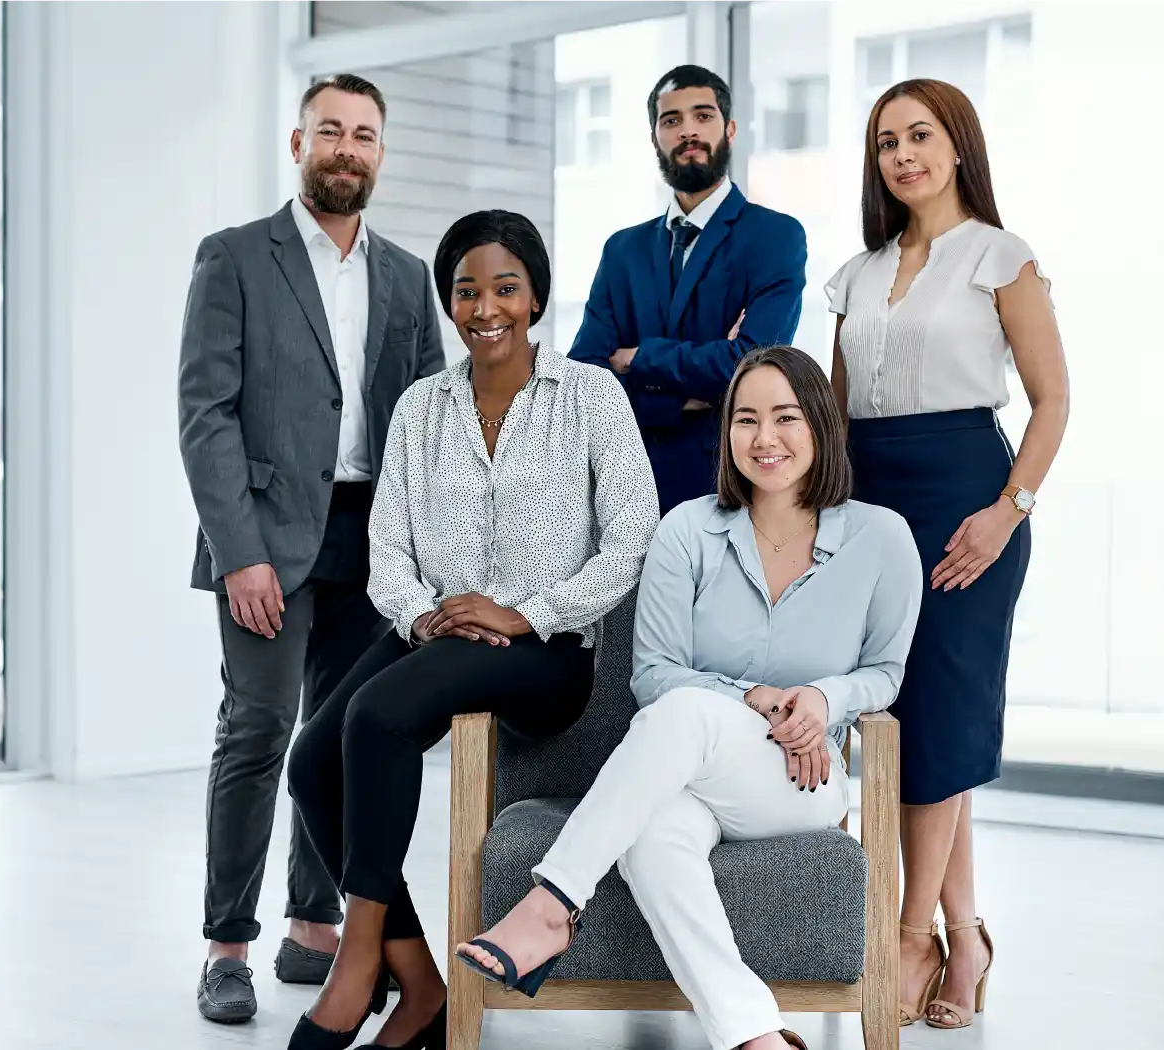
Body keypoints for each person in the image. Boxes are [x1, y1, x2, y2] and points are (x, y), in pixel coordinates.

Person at [453, 345, 923, 1050]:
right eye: (746, 420)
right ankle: (756, 1034)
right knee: (653, 836)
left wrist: (825, 698)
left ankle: (551, 904)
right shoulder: (687, 532)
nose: (765, 439)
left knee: (683, 719)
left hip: (800, 776)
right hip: (688, 771)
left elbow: (885, 673)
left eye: (787, 418)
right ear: (726, 432)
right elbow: (655, 677)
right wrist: (757, 697)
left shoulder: (883, 538)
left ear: (823, 427)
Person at [283, 210, 657, 1050]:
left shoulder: (592, 397)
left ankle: (358, 968)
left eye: (505, 287)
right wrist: (423, 615)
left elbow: (633, 535)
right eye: (467, 290)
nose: (486, 306)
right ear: (451, 304)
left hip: (549, 652)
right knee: (312, 761)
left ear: (535, 299)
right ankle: (418, 983)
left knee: (377, 721)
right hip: (436, 632)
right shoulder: (421, 408)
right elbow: (388, 546)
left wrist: (526, 613)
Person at [177, 72, 446, 1025]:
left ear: (380, 153)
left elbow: (425, 423)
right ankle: (225, 947)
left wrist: (417, 553)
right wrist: (237, 549)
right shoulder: (236, 258)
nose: (346, 147)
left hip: (370, 540)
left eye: (364, 135)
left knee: (335, 736)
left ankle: (316, 930)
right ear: (298, 147)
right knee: (255, 730)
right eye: (329, 131)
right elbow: (204, 415)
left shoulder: (410, 277)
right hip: (264, 538)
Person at [824, 79, 1069, 1031]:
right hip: (870, 499)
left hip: (969, 497)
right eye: (887, 141)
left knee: (943, 717)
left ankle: (911, 934)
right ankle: (965, 936)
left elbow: (1051, 401)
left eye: (920, 136)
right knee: (906, 722)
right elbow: (836, 419)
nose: (902, 155)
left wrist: (1008, 512)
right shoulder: (855, 274)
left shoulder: (1002, 258)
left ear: (958, 145)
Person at [570, 64, 808, 517]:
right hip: (629, 488)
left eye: (703, 116)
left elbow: (751, 365)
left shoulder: (775, 236)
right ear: (655, 137)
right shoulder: (623, 250)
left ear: (730, 129)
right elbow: (587, 379)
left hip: (729, 486)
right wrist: (684, 397)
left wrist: (637, 359)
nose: (687, 131)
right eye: (671, 120)